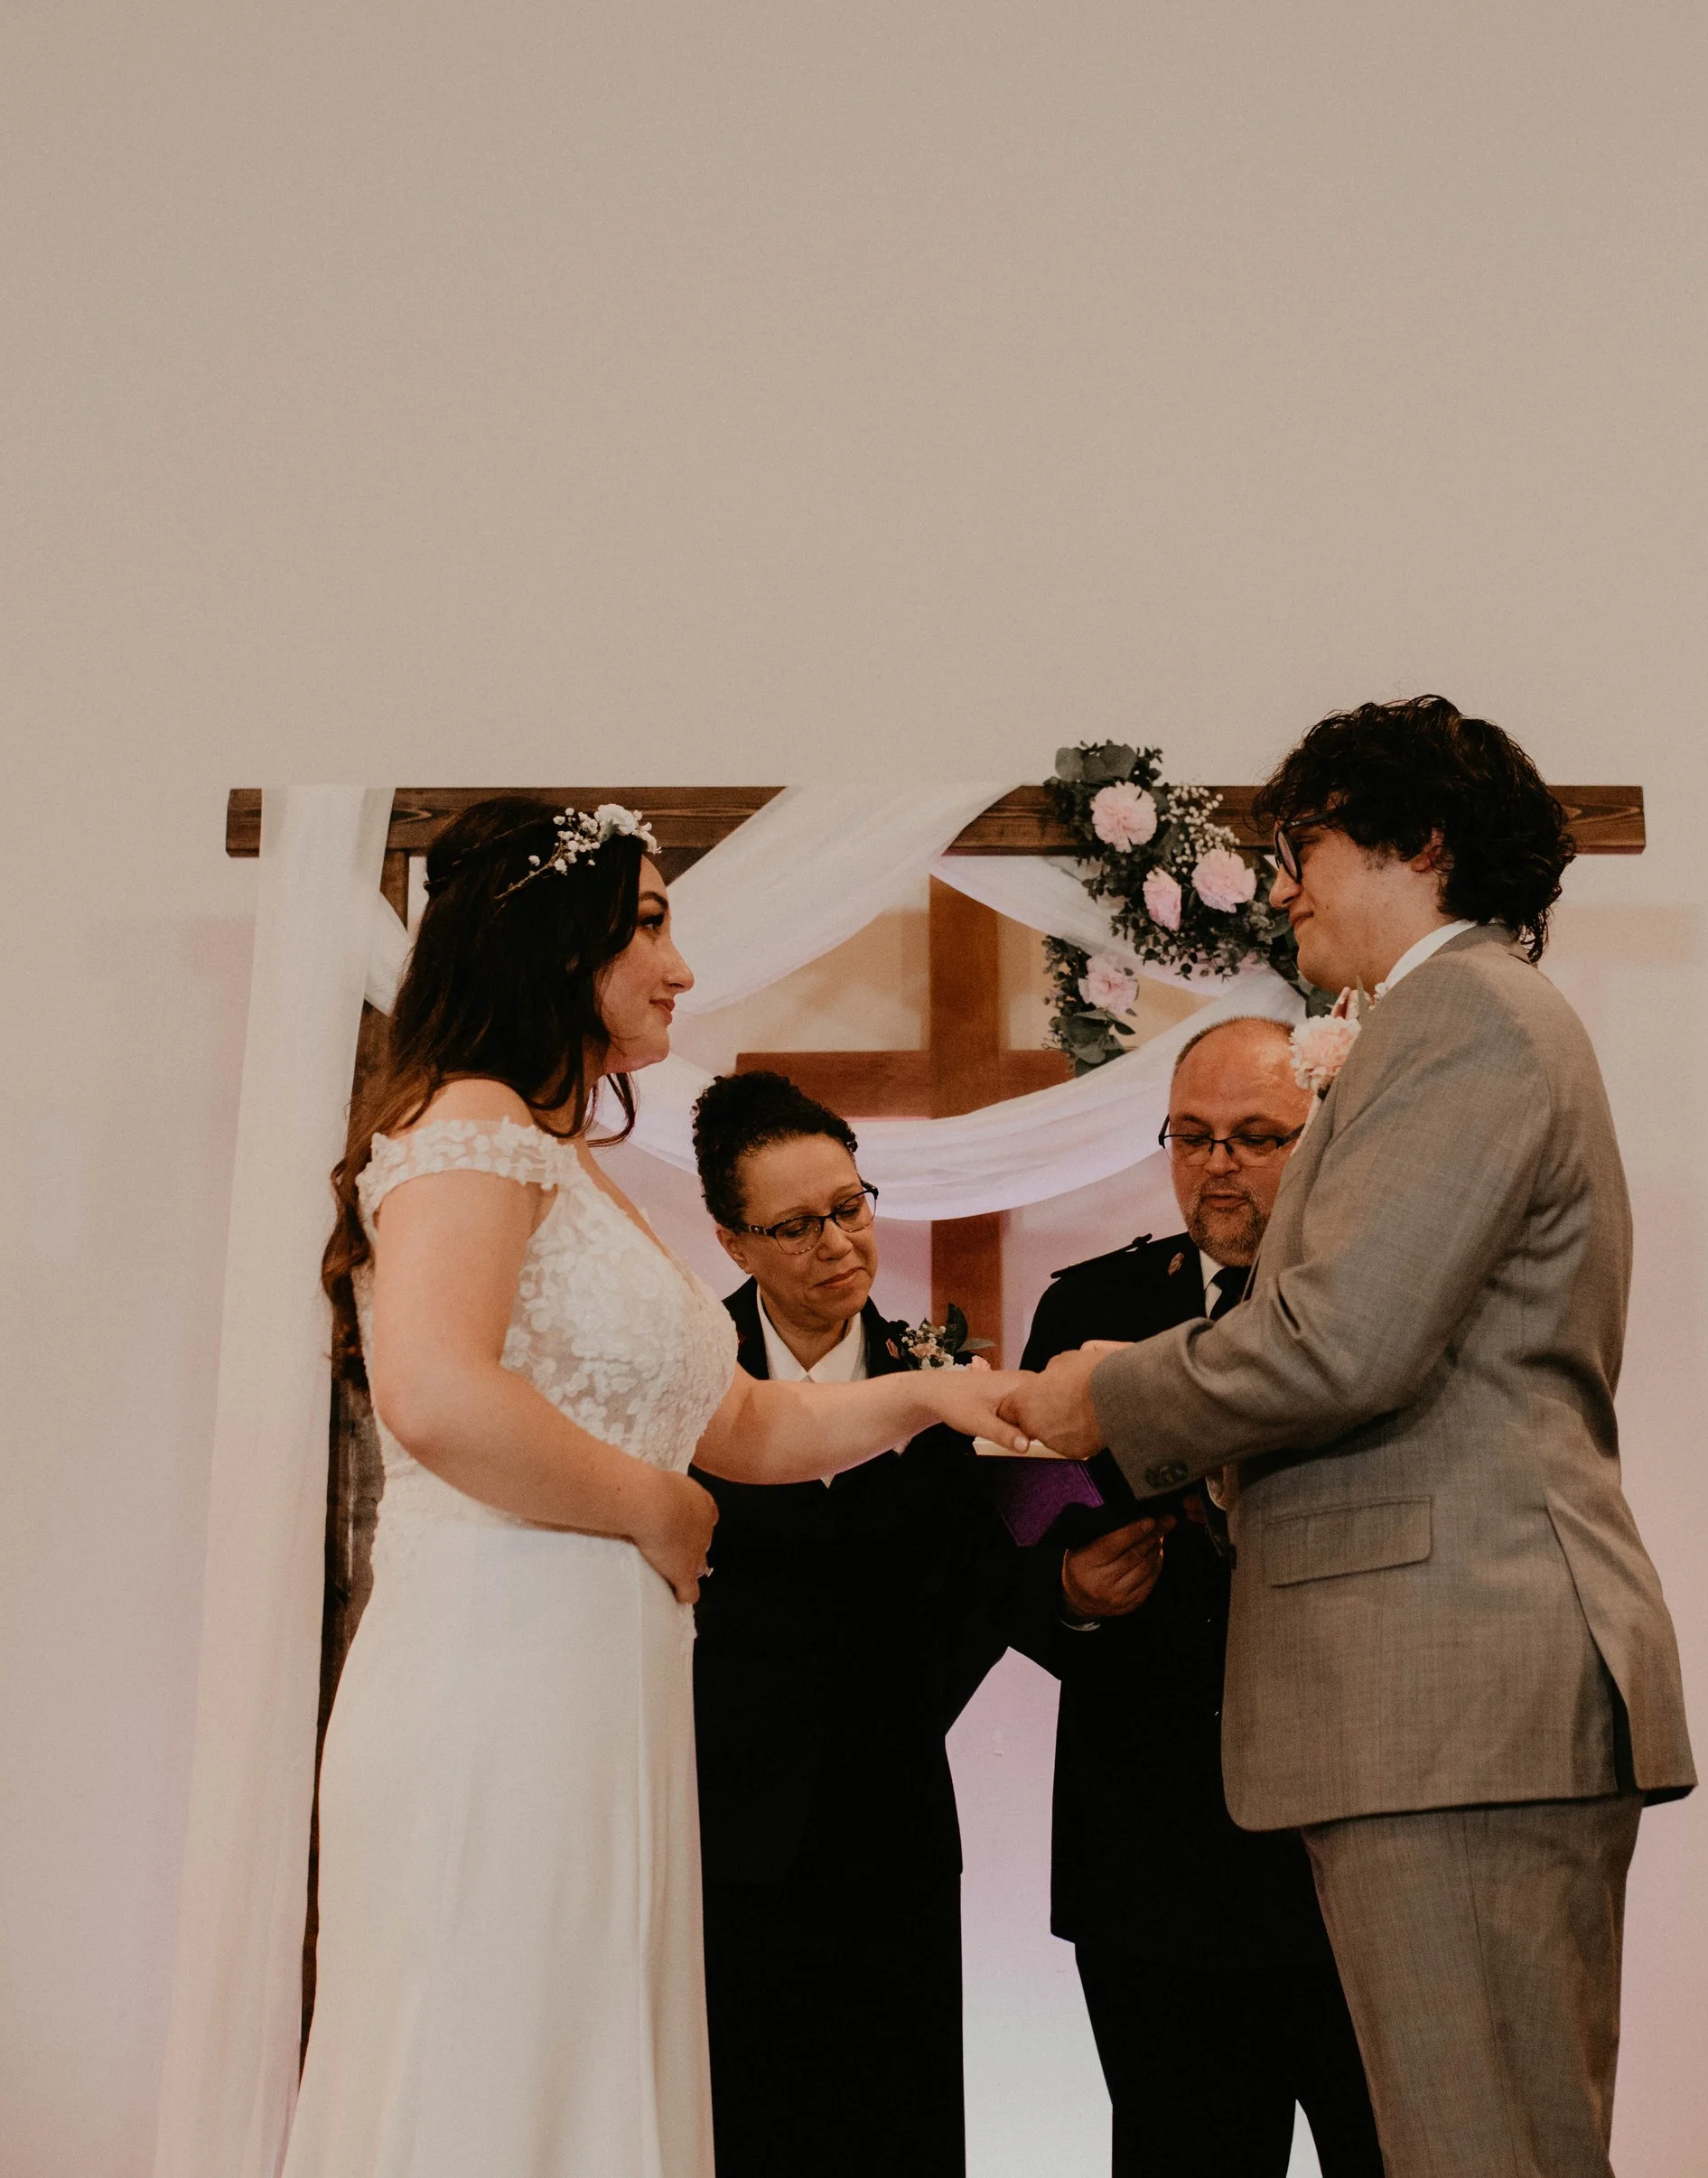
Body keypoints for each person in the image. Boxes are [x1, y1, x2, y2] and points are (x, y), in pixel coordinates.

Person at [1001, 697, 1695, 2178]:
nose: (1284, 877)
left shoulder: (1469, 1018)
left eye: (1301, 838)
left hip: (1454, 1691)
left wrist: (1102, 1396)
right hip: (1427, 1701)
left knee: (1485, 2146)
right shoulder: (1436, 1022)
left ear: (1421, 842)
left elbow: (1346, 1342)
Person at [293, 798, 1021, 2178]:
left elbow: (738, 1416)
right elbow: (435, 1390)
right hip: (497, 1663)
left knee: (587, 2046)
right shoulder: (472, 1127)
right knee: (495, 2043)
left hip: (592, 1668)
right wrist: (650, 1502)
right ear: (552, 947)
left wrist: (934, 1391)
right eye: (649, 922)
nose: (681, 964)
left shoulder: (564, 1155)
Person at [1014, 1015, 1384, 2178]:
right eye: (1191, 1136)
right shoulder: (1088, 1308)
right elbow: (1017, 1540)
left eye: (1255, 1136)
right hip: (1156, 1860)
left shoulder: (1377, 1313)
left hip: (1346, 1855)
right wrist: (1070, 1591)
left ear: (1320, 1137)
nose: (1216, 1163)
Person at [686, 1070, 1017, 2178]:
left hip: (894, 1818)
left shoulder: (937, 1369)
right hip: (725, 1820)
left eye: (851, 1205)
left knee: (902, 2118)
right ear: (734, 1242)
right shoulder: (684, 1378)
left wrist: (892, 1712)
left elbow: (977, 1586)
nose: (837, 1242)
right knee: (744, 2118)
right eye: (794, 1224)